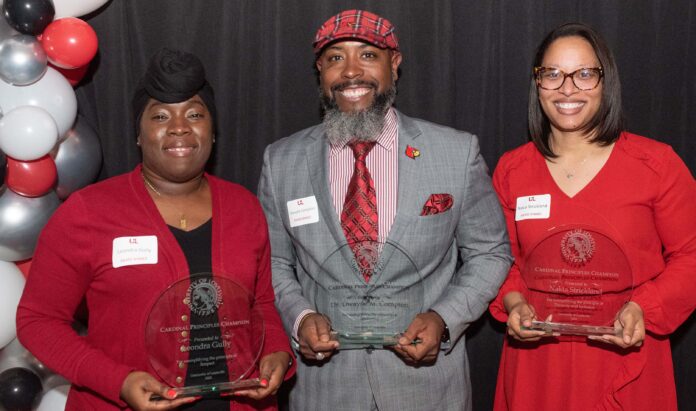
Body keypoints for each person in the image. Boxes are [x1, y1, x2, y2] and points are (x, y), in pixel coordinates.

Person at [257, 9, 512, 411]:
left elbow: (490, 252)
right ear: (319, 71)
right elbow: (272, 263)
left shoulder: (455, 152)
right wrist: (302, 317)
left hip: (428, 388)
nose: (351, 72)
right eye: (335, 58)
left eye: (368, 55)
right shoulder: (282, 161)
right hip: (328, 389)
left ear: (394, 65)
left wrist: (444, 319)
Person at [16, 48, 295, 411]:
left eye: (195, 113)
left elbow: (262, 304)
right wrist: (117, 381)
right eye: (160, 116)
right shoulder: (87, 213)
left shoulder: (244, 206)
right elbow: (37, 322)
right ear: (138, 133)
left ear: (213, 131)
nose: (179, 126)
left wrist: (277, 351)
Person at [489, 23, 696, 410]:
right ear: (537, 84)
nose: (568, 88)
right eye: (552, 74)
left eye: (584, 74)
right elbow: (499, 259)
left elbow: (692, 255)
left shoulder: (656, 165)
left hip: (625, 354)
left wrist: (643, 308)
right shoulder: (512, 170)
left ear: (606, 82)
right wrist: (515, 303)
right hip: (539, 362)